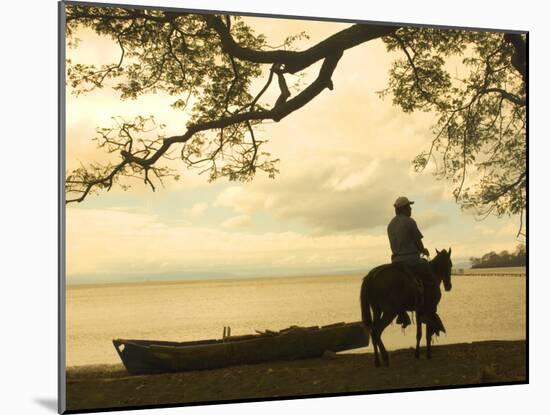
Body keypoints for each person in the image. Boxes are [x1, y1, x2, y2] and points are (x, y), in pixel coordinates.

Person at [387, 196, 443, 333]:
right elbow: (418, 243)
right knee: (431, 282)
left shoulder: (390, 225)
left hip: (395, 262)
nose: (411, 209)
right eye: (409, 207)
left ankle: (401, 314)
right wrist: (423, 250)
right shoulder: (410, 222)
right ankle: (427, 313)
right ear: (404, 209)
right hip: (411, 260)